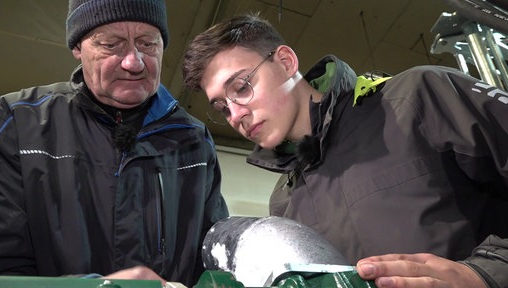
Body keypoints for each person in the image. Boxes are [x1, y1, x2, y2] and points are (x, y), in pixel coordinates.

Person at [181, 13, 508, 287]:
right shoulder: (284, 201)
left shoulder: (416, 99)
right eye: (222, 107)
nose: (235, 115)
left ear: (285, 61)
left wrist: (483, 274)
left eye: (241, 87)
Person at [0, 0, 228, 287]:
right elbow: (4, 264)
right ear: (77, 48)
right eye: (110, 44)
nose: (134, 62)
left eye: (148, 43)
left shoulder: (194, 139)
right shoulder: (17, 123)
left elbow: (210, 258)